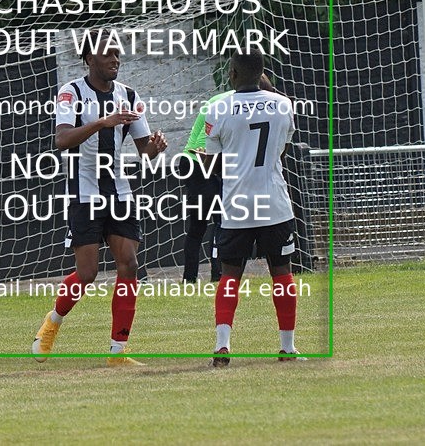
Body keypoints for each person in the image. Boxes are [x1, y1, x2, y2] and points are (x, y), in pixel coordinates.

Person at [32, 39, 167, 366]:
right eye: (108, 54)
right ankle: (52, 323)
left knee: (130, 265)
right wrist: (100, 123)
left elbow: (143, 150)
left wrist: (155, 147)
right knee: (87, 272)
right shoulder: (71, 93)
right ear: (89, 57)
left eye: (118, 54)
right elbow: (62, 140)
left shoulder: (129, 96)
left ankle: (118, 352)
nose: (115, 59)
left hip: (119, 192)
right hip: (84, 193)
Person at [204, 48, 300, 367]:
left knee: (230, 276)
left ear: (231, 74)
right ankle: (287, 348)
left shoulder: (218, 108)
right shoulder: (283, 105)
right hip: (274, 201)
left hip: (236, 204)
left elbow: (212, 163)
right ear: (262, 74)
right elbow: (281, 151)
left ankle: (222, 345)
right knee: (281, 272)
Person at [178, 74, 276, 283]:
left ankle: (194, 278)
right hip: (200, 161)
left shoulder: (231, 100)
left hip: (196, 160)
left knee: (202, 225)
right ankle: (215, 275)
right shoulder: (232, 103)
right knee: (218, 220)